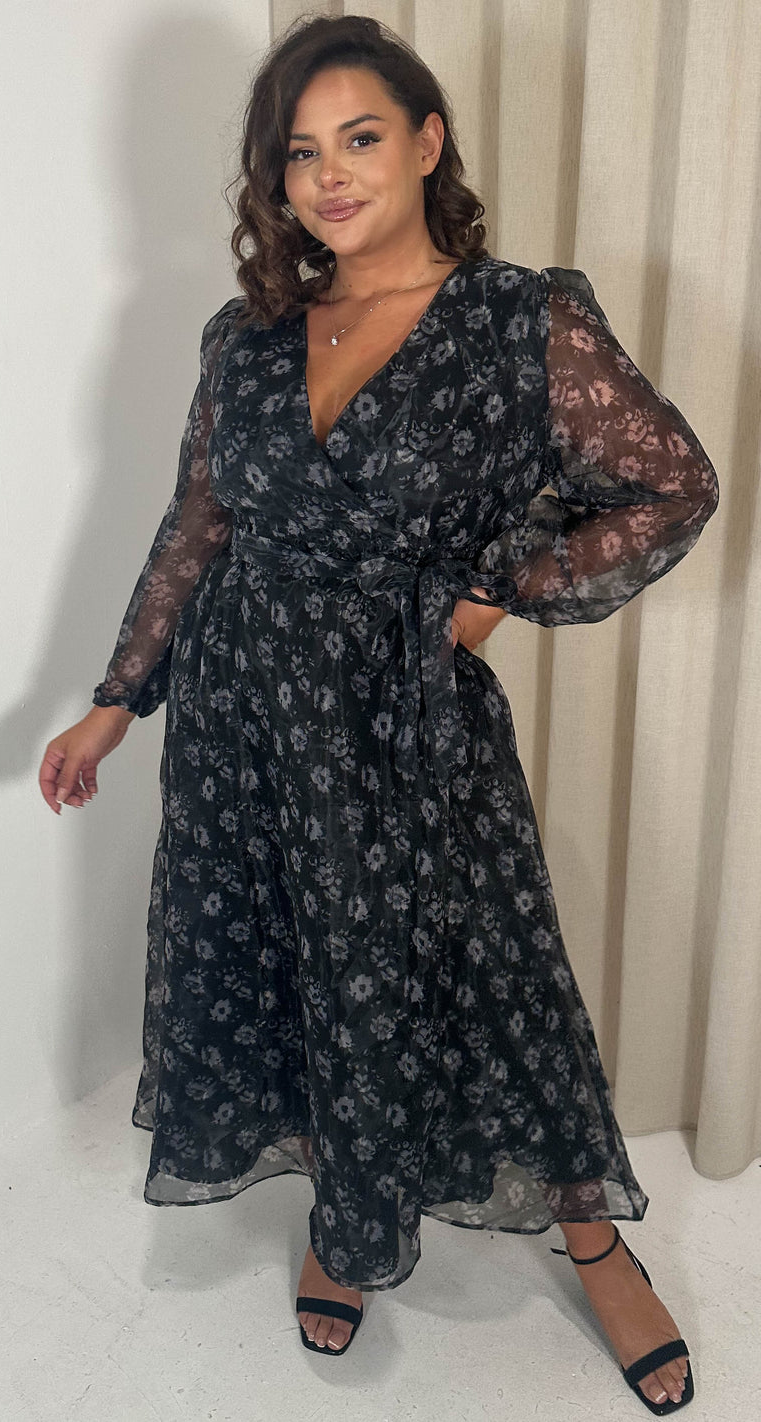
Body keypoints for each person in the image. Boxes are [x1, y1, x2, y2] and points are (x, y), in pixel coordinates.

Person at [38, 12, 717, 1410]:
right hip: (244, 719)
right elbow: (198, 524)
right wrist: (115, 700)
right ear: (275, 180)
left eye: (359, 138)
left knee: (488, 972)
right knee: (298, 961)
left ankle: (596, 1245)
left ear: (426, 142)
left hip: (404, 719)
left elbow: (671, 483)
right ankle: (346, 1224)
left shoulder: (518, 321)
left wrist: (496, 590)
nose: (330, 176)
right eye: (301, 154)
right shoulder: (247, 336)